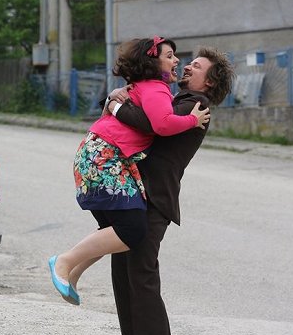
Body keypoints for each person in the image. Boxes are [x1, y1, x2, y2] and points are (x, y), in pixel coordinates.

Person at [101, 47, 235, 335]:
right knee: (124, 277)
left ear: (211, 80)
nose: (188, 65)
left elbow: (150, 125)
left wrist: (116, 104)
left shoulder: (195, 105)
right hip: (134, 196)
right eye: (189, 62)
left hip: (153, 200)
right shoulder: (176, 99)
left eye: (197, 65)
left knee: (142, 280)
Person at [48, 36, 209, 306]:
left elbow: (138, 114)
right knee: (133, 230)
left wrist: (112, 100)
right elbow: (161, 125)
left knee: (113, 229)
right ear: (152, 62)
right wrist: (192, 119)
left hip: (96, 153)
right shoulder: (156, 88)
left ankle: (73, 274)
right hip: (107, 156)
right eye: (170, 56)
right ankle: (64, 261)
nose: (177, 61)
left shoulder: (144, 87)